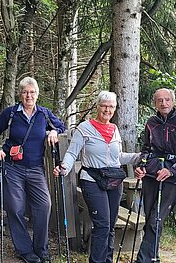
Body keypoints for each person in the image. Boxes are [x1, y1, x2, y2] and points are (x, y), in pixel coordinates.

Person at [53, 91, 140, 263]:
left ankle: (107, 260)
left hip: (114, 181)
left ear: (115, 109)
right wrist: (64, 167)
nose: (107, 110)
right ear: (97, 107)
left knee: (110, 226)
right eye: (104, 106)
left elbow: (118, 157)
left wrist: (138, 157)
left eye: (111, 106)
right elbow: (72, 152)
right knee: (102, 225)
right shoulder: (84, 128)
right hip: (92, 180)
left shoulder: (114, 129)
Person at [0, 77, 66, 263]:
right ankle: (24, 250)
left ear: (37, 94)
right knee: (15, 208)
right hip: (13, 168)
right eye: (25, 92)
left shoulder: (44, 114)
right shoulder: (12, 113)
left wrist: (54, 131)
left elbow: (61, 126)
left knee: (44, 205)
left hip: (36, 168)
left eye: (32, 92)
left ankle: (41, 249)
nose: (28, 95)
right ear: (20, 94)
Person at [134, 88, 176, 262]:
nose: (164, 103)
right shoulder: (151, 123)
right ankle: (153, 257)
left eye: (167, 100)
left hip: (171, 177)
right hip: (151, 175)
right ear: (155, 103)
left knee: (156, 220)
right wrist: (140, 167)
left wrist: (172, 170)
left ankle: (142, 260)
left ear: (173, 102)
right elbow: (145, 149)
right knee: (149, 220)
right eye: (159, 100)